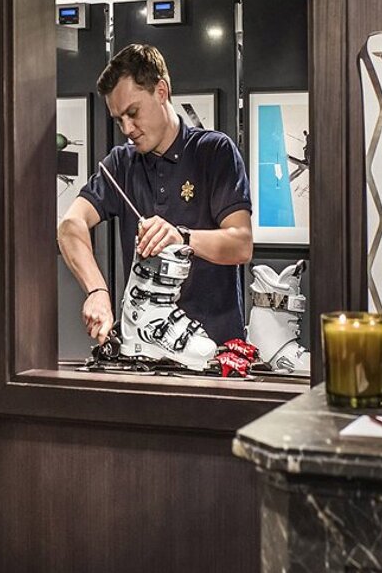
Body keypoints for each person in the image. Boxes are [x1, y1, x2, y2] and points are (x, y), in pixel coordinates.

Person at [58, 43, 254, 350]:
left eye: (133, 113)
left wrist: (181, 237)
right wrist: (96, 290)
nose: (127, 128)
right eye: (118, 119)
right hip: (145, 350)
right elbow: (70, 225)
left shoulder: (215, 151)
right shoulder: (121, 164)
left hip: (214, 351)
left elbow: (241, 244)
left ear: (161, 91)